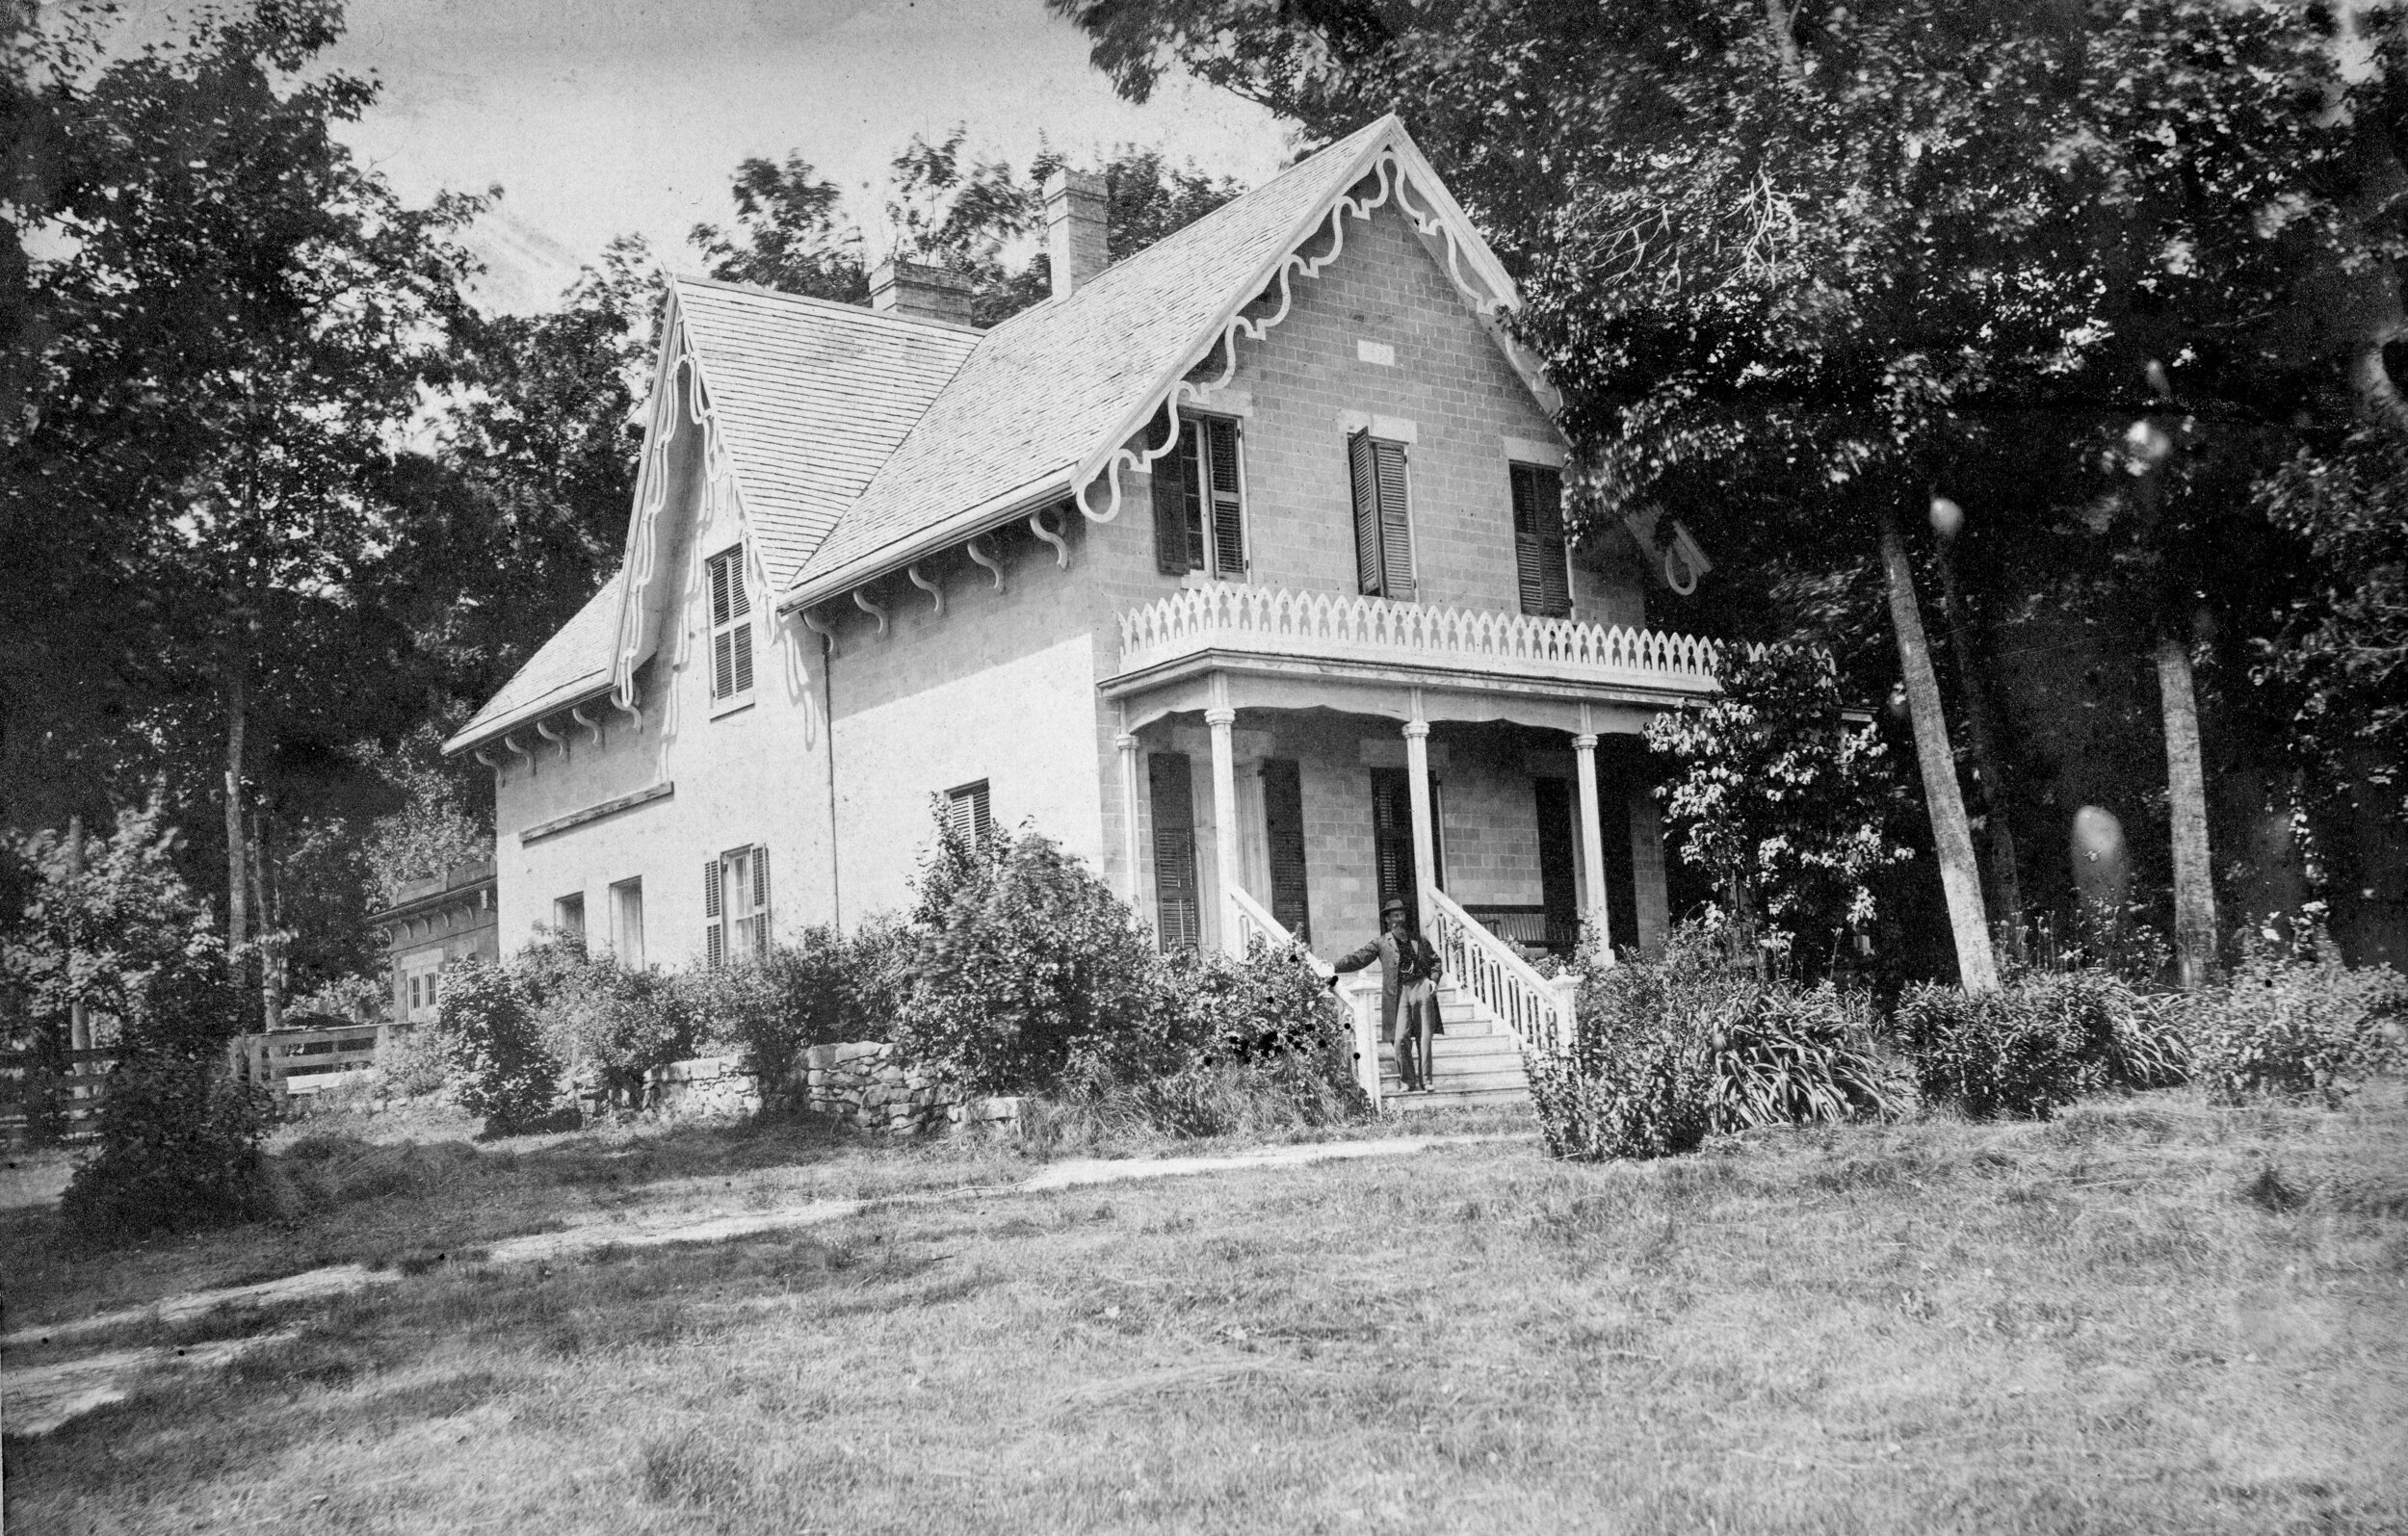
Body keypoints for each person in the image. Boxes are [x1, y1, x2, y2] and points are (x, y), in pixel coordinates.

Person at [1330, 896, 1445, 1093]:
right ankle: (1408, 1081)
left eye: (1402, 914)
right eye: (1395, 915)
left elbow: (1435, 961)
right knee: (1400, 1038)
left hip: (1421, 987)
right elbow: (1359, 958)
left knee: (1424, 1037)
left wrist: (1433, 980)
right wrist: (1334, 966)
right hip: (1398, 992)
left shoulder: (1419, 939)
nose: (1399, 918)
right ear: (1387, 920)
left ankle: (1426, 1080)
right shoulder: (1381, 942)